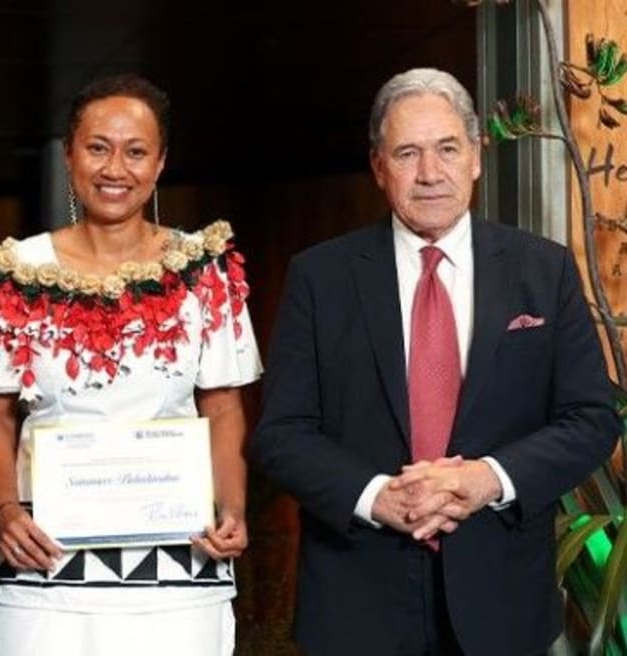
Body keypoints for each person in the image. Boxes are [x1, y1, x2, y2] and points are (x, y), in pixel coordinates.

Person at [250, 66, 620, 655]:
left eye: (447, 149)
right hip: (358, 601)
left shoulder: (543, 270)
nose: (429, 174)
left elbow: (592, 417)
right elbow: (281, 434)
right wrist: (375, 495)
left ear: (475, 155)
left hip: (504, 600)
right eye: (407, 153)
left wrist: (486, 479)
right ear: (378, 167)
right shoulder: (319, 278)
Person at [0, 73, 262, 656]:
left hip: (179, 560)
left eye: (135, 151)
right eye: (98, 148)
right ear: (70, 155)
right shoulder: (17, 270)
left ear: (161, 162)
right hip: (46, 559)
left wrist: (233, 508)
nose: (114, 169)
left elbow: (223, 408)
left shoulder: (204, 270)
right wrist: (2, 509)